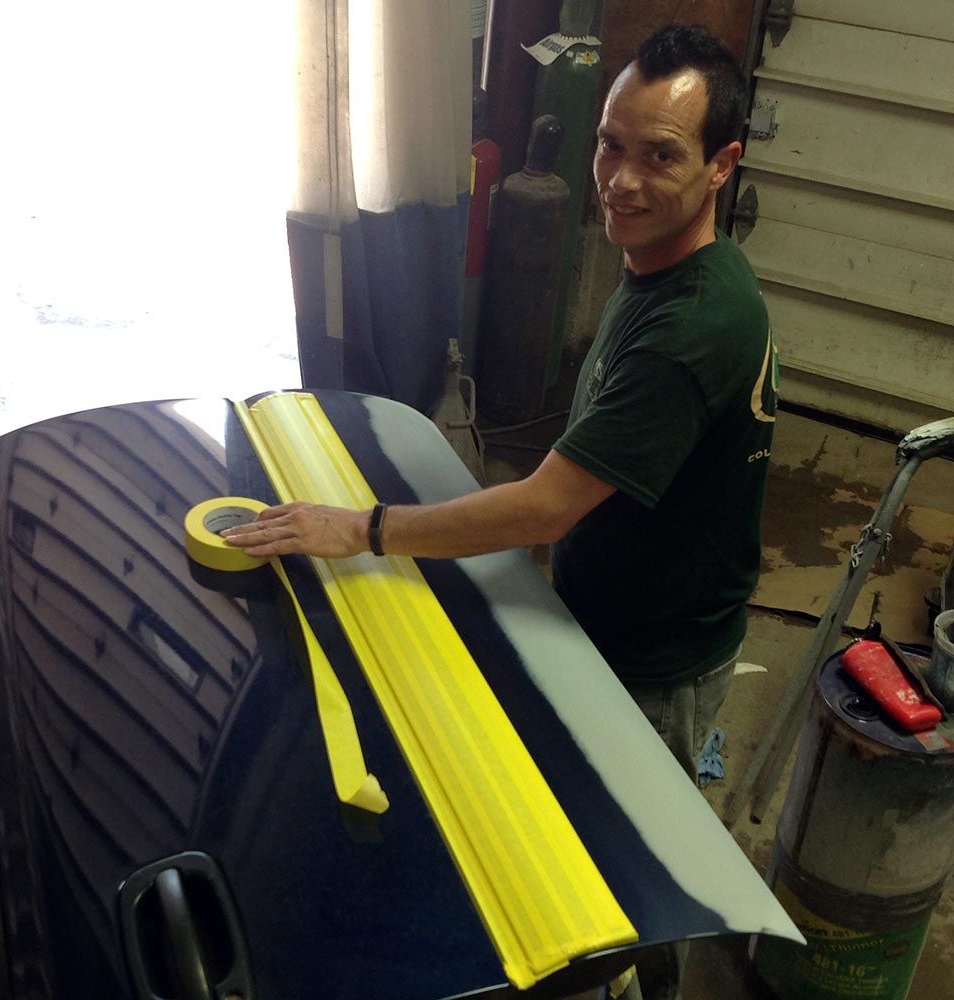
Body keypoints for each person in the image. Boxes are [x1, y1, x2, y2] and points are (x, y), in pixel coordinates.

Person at [224, 23, 777, 1000]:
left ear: (722, 165)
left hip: (655, 657)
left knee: (642, 881)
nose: (621, 180)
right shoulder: (668, 265)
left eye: (661, 156)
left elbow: (546, 508)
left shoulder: (690, 327)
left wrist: (362, 528)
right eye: (611, 144)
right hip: (617, 610)